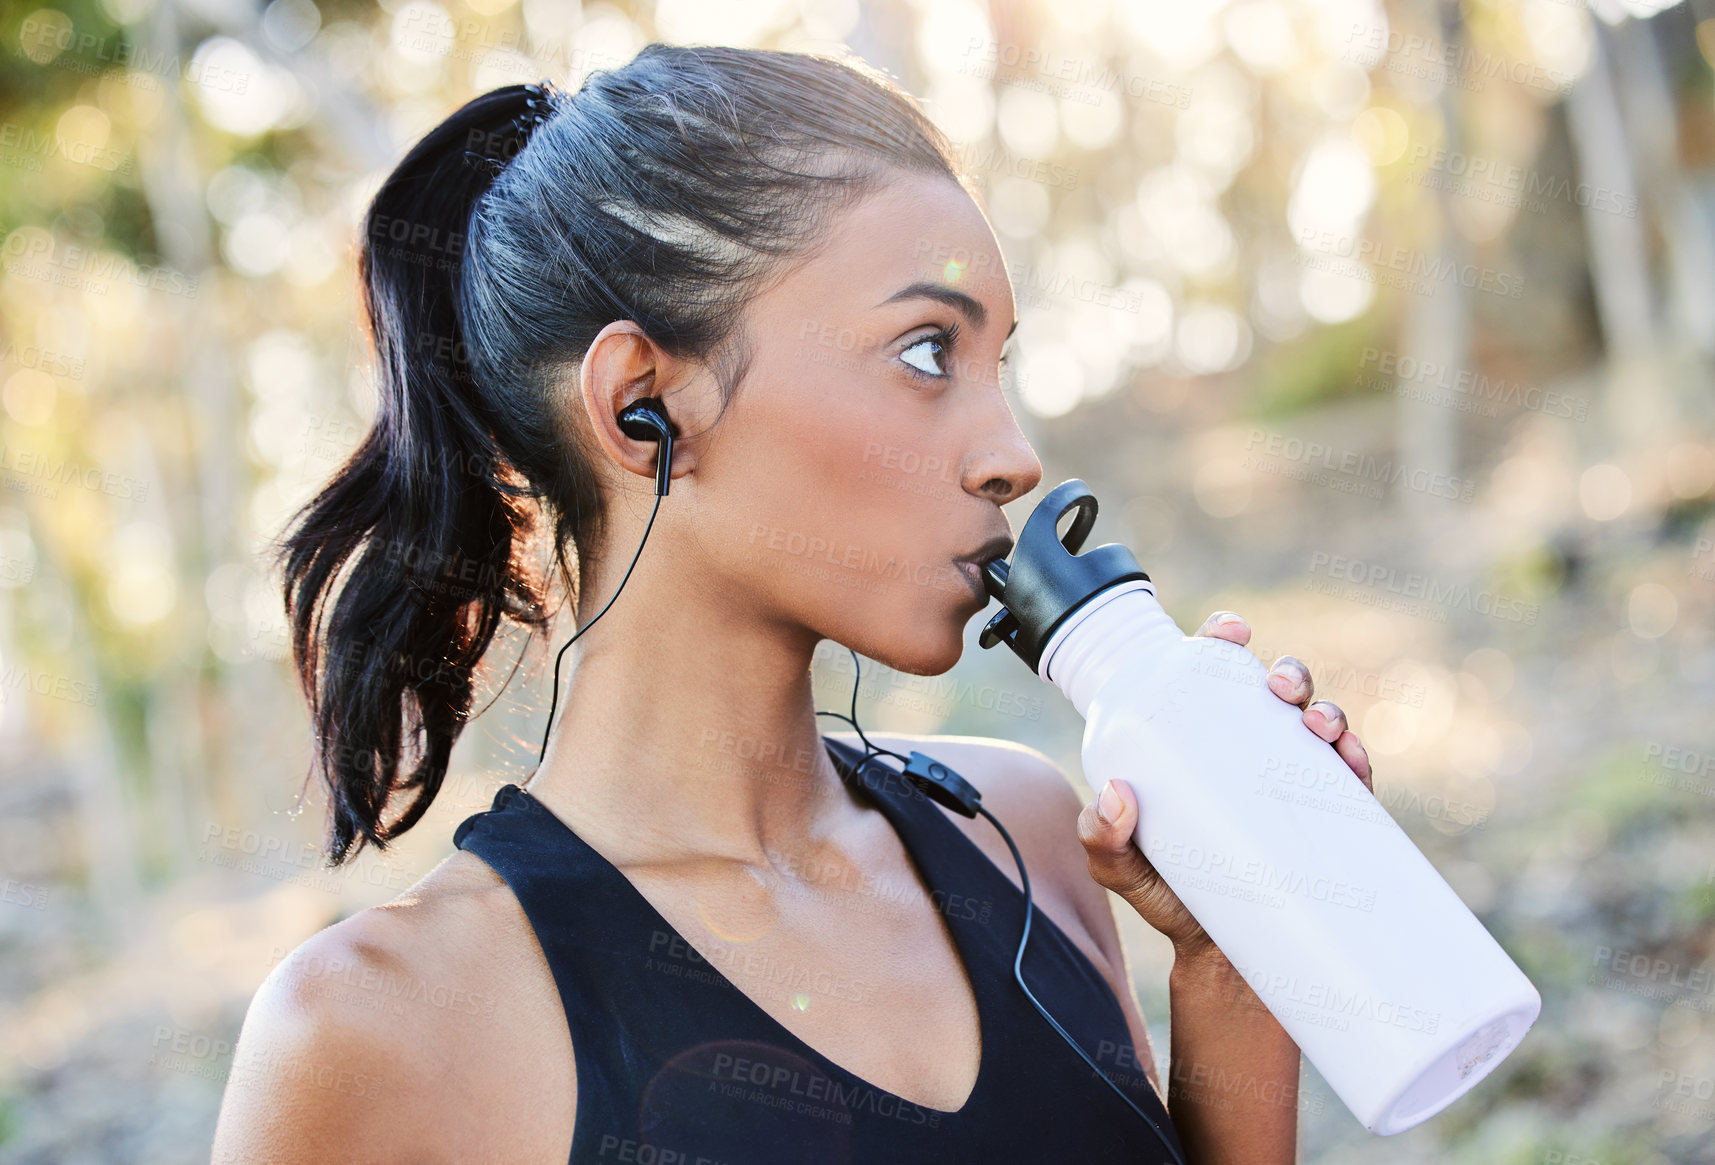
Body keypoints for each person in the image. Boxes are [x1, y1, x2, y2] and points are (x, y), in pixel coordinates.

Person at [211, 43, 1373, 1164]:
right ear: (640, 407)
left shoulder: (1019, 833)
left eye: (995, 365)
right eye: (924, 352)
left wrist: (1228, 955)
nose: (1012, 457)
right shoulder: (378, 1029)